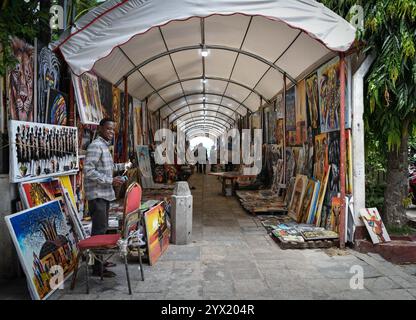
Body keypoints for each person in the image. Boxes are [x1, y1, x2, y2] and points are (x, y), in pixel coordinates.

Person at [84, 118, 132, 277]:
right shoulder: (96, 146)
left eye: (113, 130)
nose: (111, 132)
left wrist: (123, 166)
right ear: (100, 128)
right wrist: (110, 180)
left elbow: (107, 167)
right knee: (98, 231)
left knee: (103, 229)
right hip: (97, 195)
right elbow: (89, 171)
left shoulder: (104, 146)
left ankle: (100, 261)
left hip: (104, 194)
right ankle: (97, 269)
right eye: (108, 129)